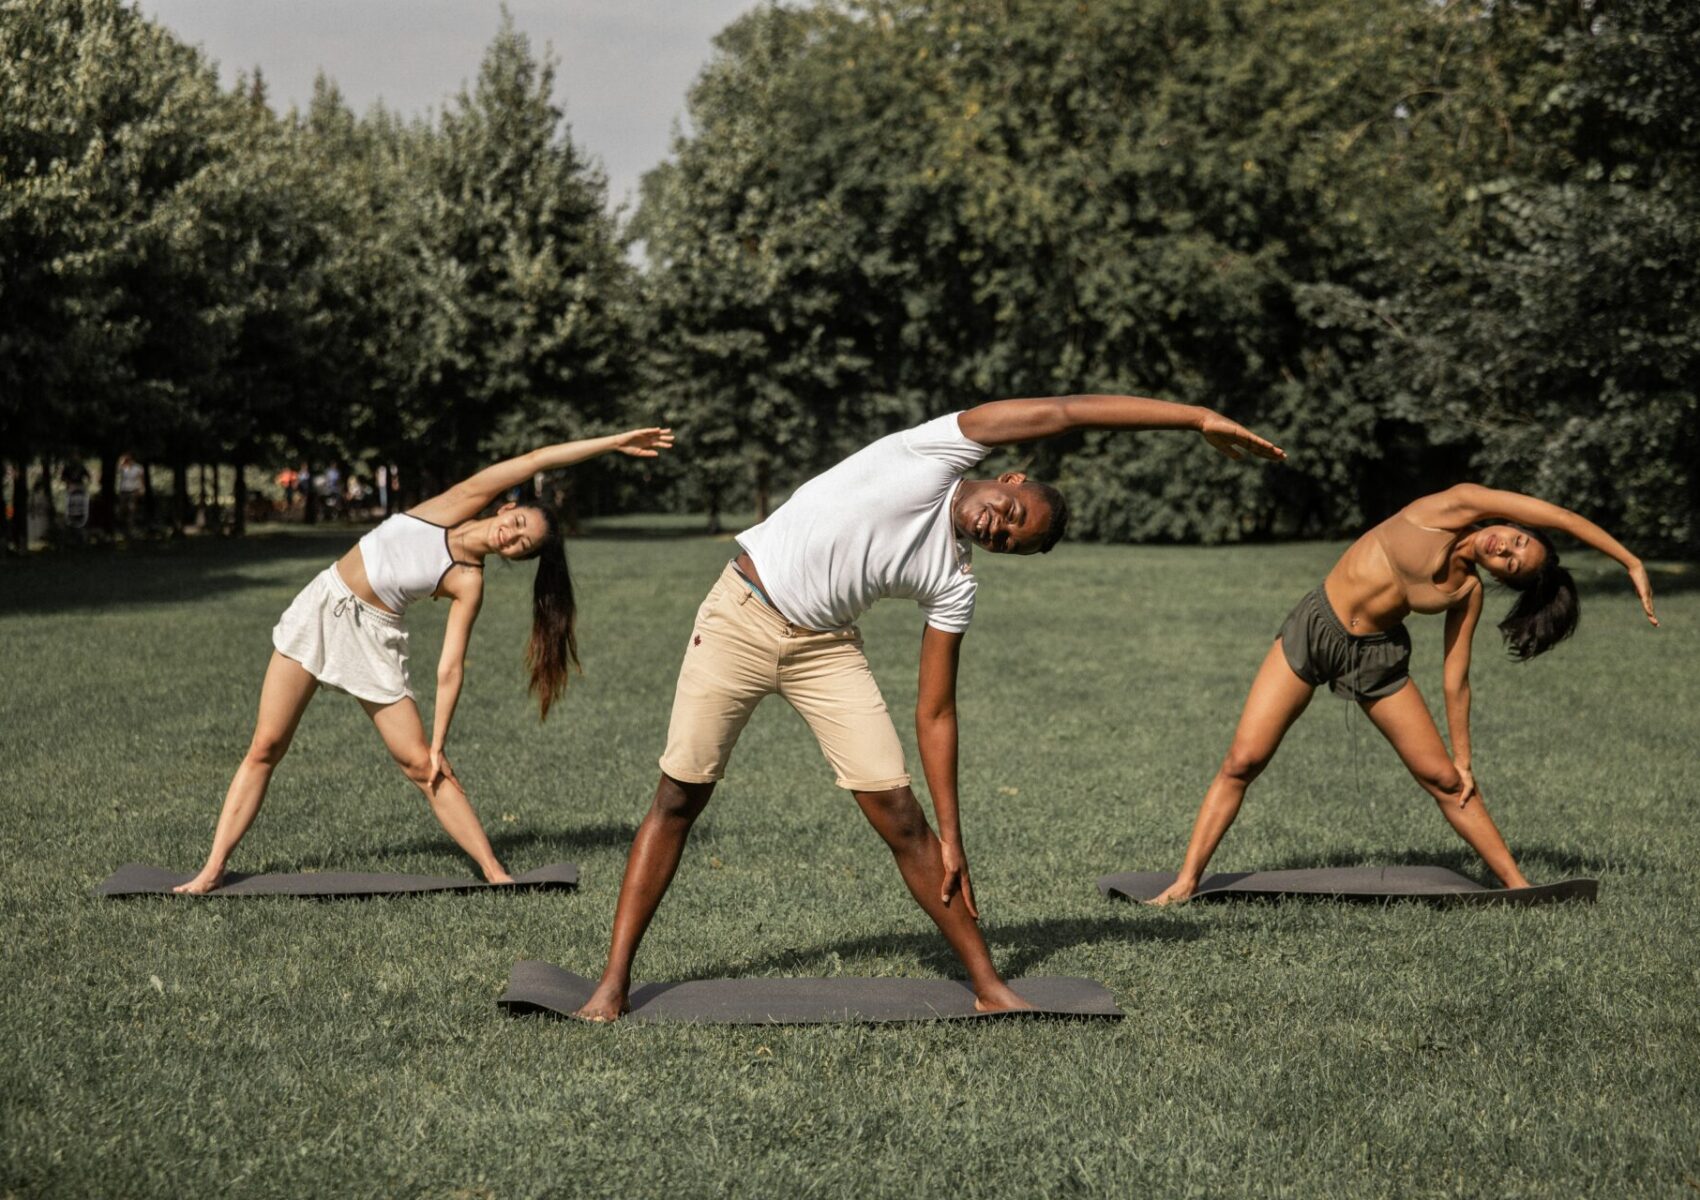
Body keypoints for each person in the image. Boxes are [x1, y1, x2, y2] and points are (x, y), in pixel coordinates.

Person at [573, 394, 1285, 1020]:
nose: (1000, 527)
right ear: (1009, 478)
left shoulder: (954, 580)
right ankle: (612, 983)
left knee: (906, 822)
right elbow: (1068, 411)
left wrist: (955, 834)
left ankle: (987, 985)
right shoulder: (937, 450)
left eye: (1012, 540)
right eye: (1014, 511)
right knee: (678, 798)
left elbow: (936, 711)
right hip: (738, 616)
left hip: (826, 649)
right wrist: (1194, 418)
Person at [173, 428, 674, 894]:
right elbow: (536, 458)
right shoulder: (454, 504)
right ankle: (212, 870)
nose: (513, 537)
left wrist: (437, 742)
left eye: (523, 546)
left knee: (422, 765)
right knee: (266, 746)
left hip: (373, 639)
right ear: (505, 508)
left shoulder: (468, 580)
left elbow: (451, 666)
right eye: (518, 524)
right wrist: (614, 443)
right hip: (321, 607)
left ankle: (496, 874)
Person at [1148, 484, 1659, 905]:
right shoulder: (1454, 506)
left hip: (1376, 655)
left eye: (1513, 566)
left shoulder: (1467, 591)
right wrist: (1629, 560)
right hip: (1316, 626)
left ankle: (1517, 886)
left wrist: (1464, 758)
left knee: (1443, 778)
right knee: (1243, 760)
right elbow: (1558, 512)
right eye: (1518, 543)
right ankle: (1187, 880)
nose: (1506, 551)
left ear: (1502, 580)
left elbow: (1455, 678)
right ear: (1514, 525)